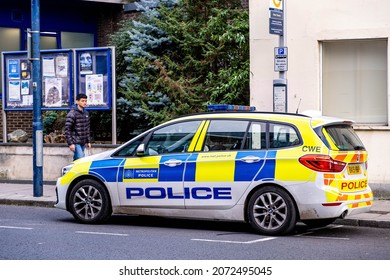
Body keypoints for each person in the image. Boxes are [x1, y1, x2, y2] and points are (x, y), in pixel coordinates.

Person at [65, 93, 91, 161]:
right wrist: (71, 143)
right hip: (75, 141)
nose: (84, 103)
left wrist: (88, 141)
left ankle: (71, 170)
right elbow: (67, 129)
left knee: (77, 160)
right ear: (77, 101)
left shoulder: (86, 113)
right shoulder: (72, 113)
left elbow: (87, 128)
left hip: (83, 141)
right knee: (80, 159)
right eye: (82, 101)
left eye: (85, 101)